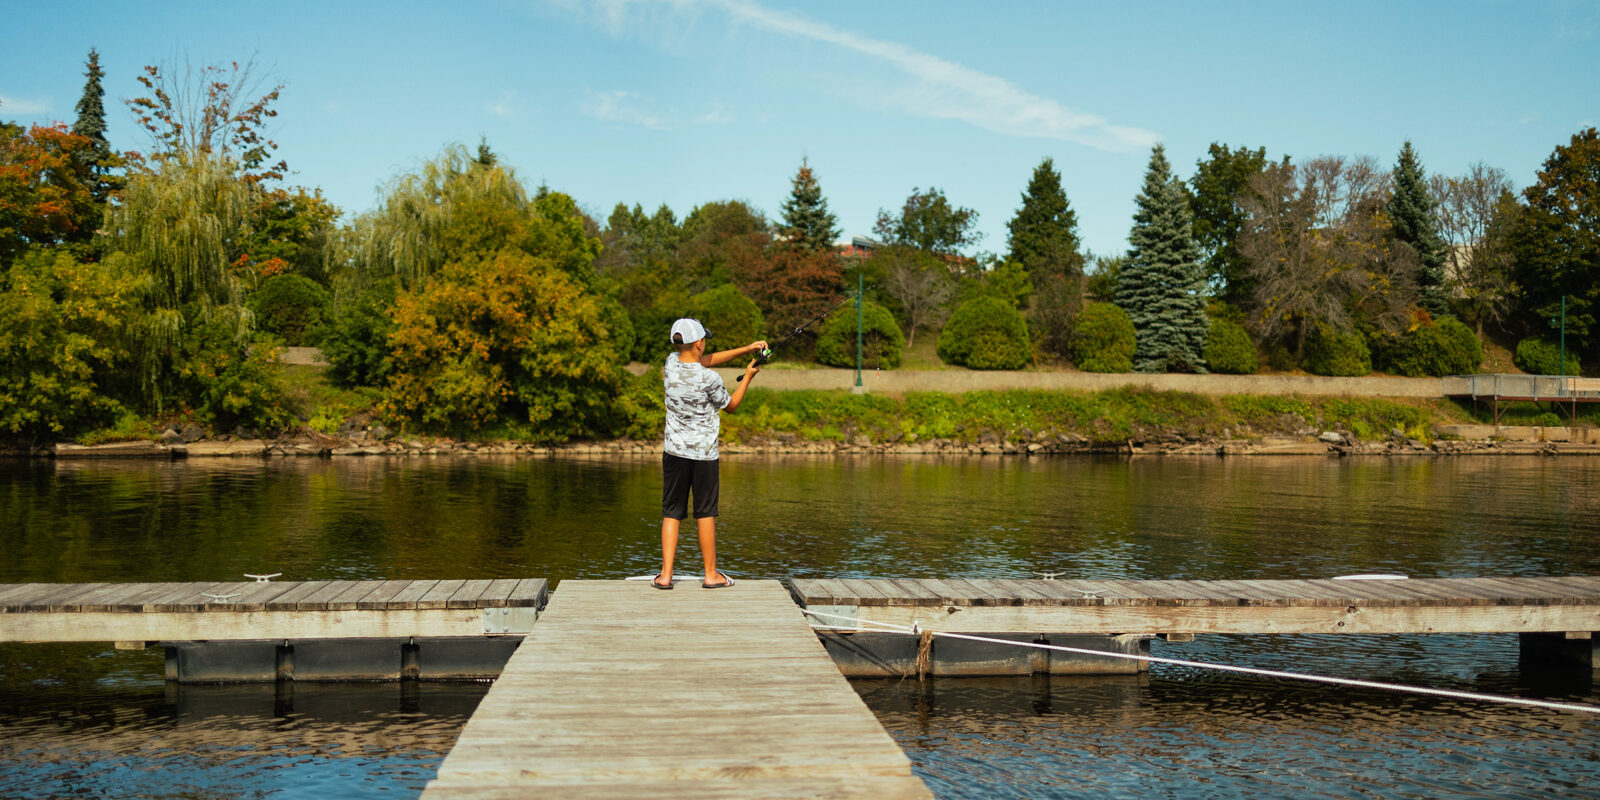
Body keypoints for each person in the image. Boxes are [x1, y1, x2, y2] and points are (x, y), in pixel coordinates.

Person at [653, 318, 766, 590]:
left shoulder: (670, 364)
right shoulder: (710, 379)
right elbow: (732, 405)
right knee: (705, 512)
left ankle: (666, 576)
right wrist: (748, 377)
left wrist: (746, 349)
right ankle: (711, 575)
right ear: (700, 343)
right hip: (704, 456)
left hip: (674, 453)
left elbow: (705, 360)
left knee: (671, 512)